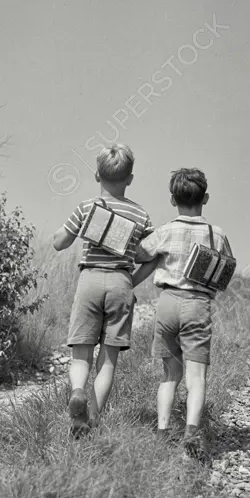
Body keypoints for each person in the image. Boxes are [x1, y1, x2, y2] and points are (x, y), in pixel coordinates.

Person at [131, 167, 232, 462]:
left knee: (169, 374)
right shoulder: (217, 234)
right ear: (206, 198)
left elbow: (139, 254)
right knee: (196, 375)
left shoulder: (166, 231)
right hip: (197, 304)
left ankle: (162, 431)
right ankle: (191, 431)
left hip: (167, 302)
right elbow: (224, 271)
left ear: (172, 200)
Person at [53, 143, 153, 436]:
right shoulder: (141, 215)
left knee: (81, 354)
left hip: (89, 281)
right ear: (130, 179)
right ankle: (92, 418)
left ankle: (77, 391)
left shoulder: (87, 207)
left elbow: (60, 242)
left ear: (97, 176)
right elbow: (153, 255)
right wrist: (131, 281)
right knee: (108, 360)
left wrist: (63, 231)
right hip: (121, 282)